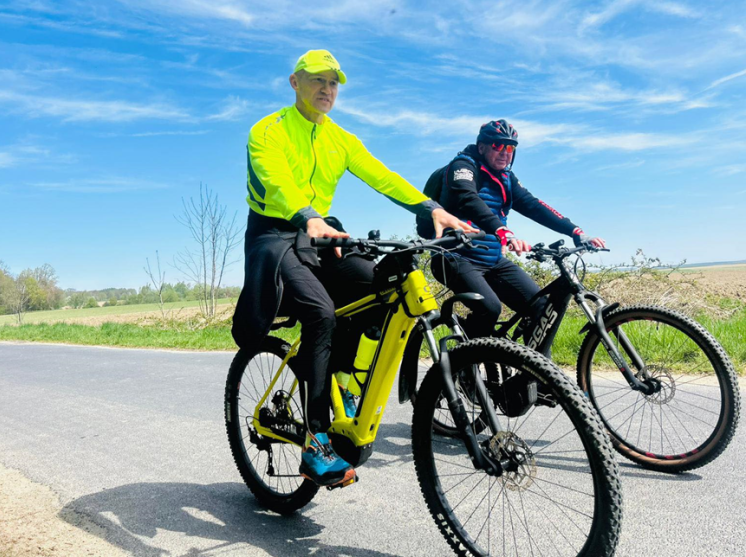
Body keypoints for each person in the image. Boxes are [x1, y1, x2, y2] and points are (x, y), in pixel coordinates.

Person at [232, 49, 472, 488]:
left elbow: (381, 174)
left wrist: (432, 206)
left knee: (380, 288)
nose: (327, 89)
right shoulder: (267, 131)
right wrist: (307, 216)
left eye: (334, 83)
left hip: (320, 232)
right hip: (275, 233)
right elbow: (276, 182)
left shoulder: (340, 138)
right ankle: (317, 441)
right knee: (320, 314)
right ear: (295, 82)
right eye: (318, 80)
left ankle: (338, 379)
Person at [417, 120, 606, 348]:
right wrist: (500, 228)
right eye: (498, 146)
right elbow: (467, 198)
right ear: (482, 147)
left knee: (541, 308)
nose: (505, 153)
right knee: (489, 307)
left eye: (510, 148)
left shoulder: (507, 178)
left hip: (493, 260)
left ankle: (534, 374)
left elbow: (533, 205)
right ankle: (466, 361)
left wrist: (575, 231)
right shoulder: (463, 167)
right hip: (454, 257)